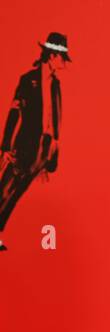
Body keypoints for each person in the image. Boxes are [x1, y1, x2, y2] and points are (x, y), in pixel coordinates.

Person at [0, 33, 68, 252]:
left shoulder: (56, 85)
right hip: (24, 145)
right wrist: (6, 146)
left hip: (44, 149)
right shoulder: (29, 80)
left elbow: (55, 121)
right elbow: (14, 112)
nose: (64, 63)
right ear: (51, 56)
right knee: (5, 188)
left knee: (17, 192)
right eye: (61, 57)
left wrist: (52, 153)